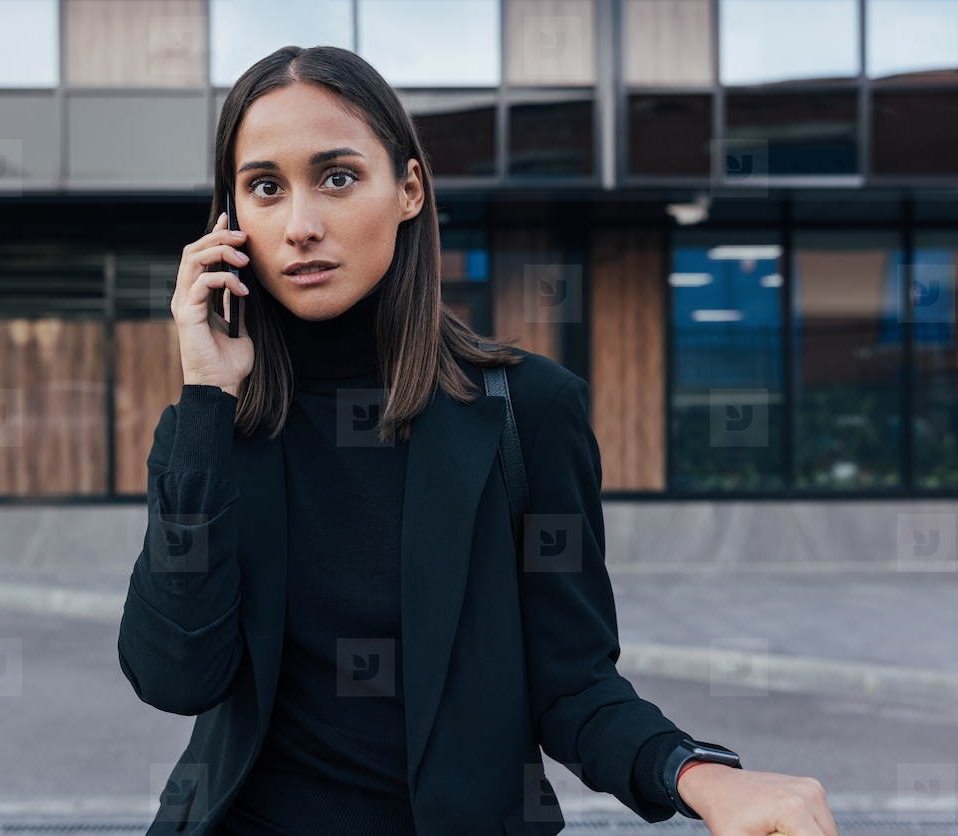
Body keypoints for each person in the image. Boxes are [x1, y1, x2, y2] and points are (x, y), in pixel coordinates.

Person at [117, 44, 838, 836]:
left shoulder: (529, 411)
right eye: (265, 188)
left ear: (409, 191)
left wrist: (696, 774)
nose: (301, 225)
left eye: (337, 176)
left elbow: (571, 687)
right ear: (232, 222)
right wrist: (206, 396)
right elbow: (175, 675)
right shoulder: (212, 430)